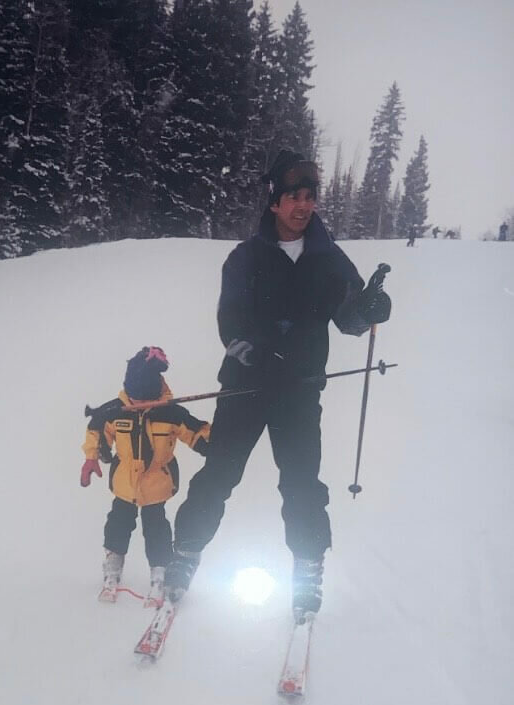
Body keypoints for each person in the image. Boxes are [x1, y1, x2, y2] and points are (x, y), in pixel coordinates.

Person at [163, 151, 392, 623]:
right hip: (245, 388)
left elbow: (349, 319)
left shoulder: (330, 260)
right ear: (273, 202)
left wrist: (369, 309)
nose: (303, 206)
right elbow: (231, 320)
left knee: (302, 483)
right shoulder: (245, 258)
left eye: (309, 197)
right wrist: (249, 350)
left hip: (300, 391)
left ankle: (308, 568)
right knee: (219, 475)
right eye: (293, 198)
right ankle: (184, 553)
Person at [81, 346, 210, 607]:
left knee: (156, 527)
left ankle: (159, 569)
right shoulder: (116, 411)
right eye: (134, 399)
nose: (138, 404)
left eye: (143, 400)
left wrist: (215, 444)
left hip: (156, 482)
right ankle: (113, 560)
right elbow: (96, 428)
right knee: (118, 521)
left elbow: (196, 433)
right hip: (124, 480)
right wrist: (92, 456)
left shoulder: (171, 413)